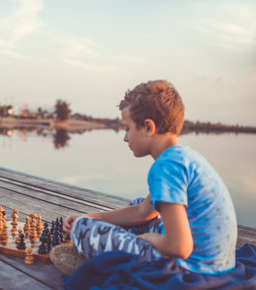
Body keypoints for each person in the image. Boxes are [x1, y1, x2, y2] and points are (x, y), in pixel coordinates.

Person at [50, 80, 238, 276]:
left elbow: (179, 247)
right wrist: (91, 216)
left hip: (190, 268)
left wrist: (146, 238)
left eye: (127, 128)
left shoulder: (164, 167)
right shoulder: (183, 157)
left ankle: (100, 261)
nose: (125, 137)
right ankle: (112, 247)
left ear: (148, 127)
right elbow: (143, 211)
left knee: (83, 229)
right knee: (139, 205)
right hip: (218, 264)